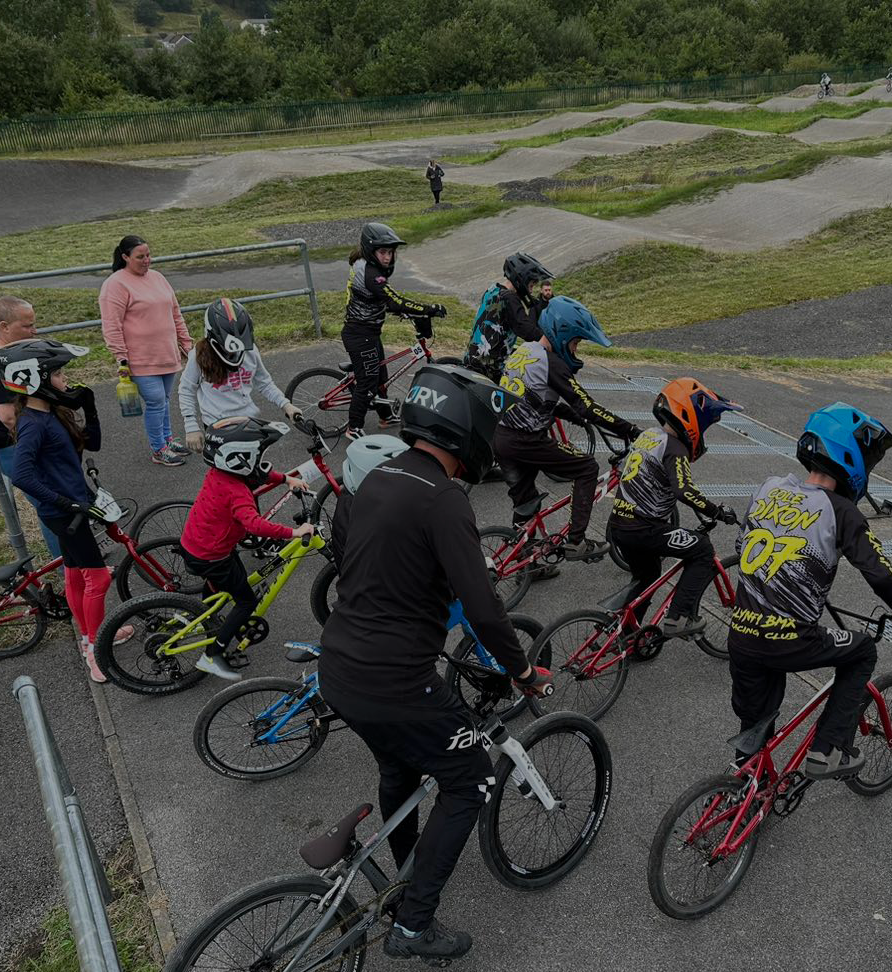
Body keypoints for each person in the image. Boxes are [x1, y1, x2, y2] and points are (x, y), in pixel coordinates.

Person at [319, 363, 553, 963]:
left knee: (399, 768)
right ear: (466, 430)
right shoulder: (443, 498)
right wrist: (523, 672)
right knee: (470, 777)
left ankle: (404, 882)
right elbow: (484, 608)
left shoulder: (378, 476)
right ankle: (413, 923)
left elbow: (354, 558)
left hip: (339, 666)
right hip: (395, 681)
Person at [728, 403, 892, 779]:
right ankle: (827, 750)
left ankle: (745, 788)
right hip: (790, 639)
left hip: (742, 631)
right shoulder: (841, 511)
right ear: (851, 456)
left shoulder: (768, 488)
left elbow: (744, 550)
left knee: (756, 726)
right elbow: (882, 576)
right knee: (862, 650)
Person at [0, 339, 112, 682]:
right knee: (99, 578)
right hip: (65, 514)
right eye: (59, 374)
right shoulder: (33, 423)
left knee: (75, 575)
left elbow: (92, 443)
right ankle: (96, 649)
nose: (66, 379)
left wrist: (89, 407)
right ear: (37, 380)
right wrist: (65, 503)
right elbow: (21, 475)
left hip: (72, 506)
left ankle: (87, 637)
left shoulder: (53, 413)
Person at [494, 296, 640, 561]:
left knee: (526, 502)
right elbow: (587, 406)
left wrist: (571, 415)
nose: (575, 349)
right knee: (586, 467)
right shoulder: (553, 363)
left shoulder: (526, 350)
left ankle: (525, 562)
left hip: (502, 437)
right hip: (526, 440)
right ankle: (576, 542)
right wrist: (628, 429)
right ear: (562, 335)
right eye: (576, 342)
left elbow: (532, 398)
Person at [178, 416, 313, 681]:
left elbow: (257, 473)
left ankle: (201, 616)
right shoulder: (237, 492)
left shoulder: (220, 473)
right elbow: (254, 524)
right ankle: (212, 655)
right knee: (246, 601)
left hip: (199, 544)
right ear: (240, 458)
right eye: (257, 454)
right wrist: (294, 532)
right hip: (212, 555)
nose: (259, 458)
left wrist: (287, 478)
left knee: (220, 586)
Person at [606, 378, 742, 637]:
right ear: (691, 418)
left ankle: (627, 637)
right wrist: (716, 511)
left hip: (620, 526)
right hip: (644, 529)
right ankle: (679, 617)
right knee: (702, 549)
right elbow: (684, 490)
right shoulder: (675, 448)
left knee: (648, 576)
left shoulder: (649, 435)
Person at [0, 296, 63, 557]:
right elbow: (8, 416)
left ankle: (76, 563)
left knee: (53, 505)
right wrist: (45, 439)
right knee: (52, 507)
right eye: (27, 326)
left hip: (17, 445)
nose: (34, 331)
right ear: (4, 326)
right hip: (16, 447)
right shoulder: (1, 364)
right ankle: (72, 567)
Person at [343, 222, 446, 441]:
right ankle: (353, 428)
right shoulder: (371, 274)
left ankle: (385, 416)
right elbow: (394, 300)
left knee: (381, 377)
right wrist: (429, 309)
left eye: (390, 252)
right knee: (368, 382)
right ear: (371, 250)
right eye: (383, 252)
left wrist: (406, 312)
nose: (388, 257)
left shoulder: (368, 266)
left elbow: (383, 301)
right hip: (359, 335)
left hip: (369, 333)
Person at [99, 235, 194, 467]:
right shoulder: (116, 284)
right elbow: (112, 325)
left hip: (166, 353)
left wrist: (186, 343)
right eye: (140, 257)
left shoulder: (158, 278)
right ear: (125, 257)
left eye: (148, 255)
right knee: (156, 402)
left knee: (165, 400)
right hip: (139, 358)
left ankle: (167, 440)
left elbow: (175, 313)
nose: (146, 261)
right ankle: (158, 448)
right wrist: (121, 358)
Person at [178, 297, 302, 454]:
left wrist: (286, 405)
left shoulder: (250, 351)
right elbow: (186, 390)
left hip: (248, 423)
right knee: (224, 470)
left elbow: (264, 383)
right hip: (218, 426)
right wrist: (191, 427)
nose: (234, 350)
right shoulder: (199, 355)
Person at [463, 252, 553, 381]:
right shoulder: (510, 298)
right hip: (488, 370)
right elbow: (525, 328)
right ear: (521, 279)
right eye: (531, 286)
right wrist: (550, 341)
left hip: (473, 360)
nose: (531, 291)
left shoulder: (492, 290)